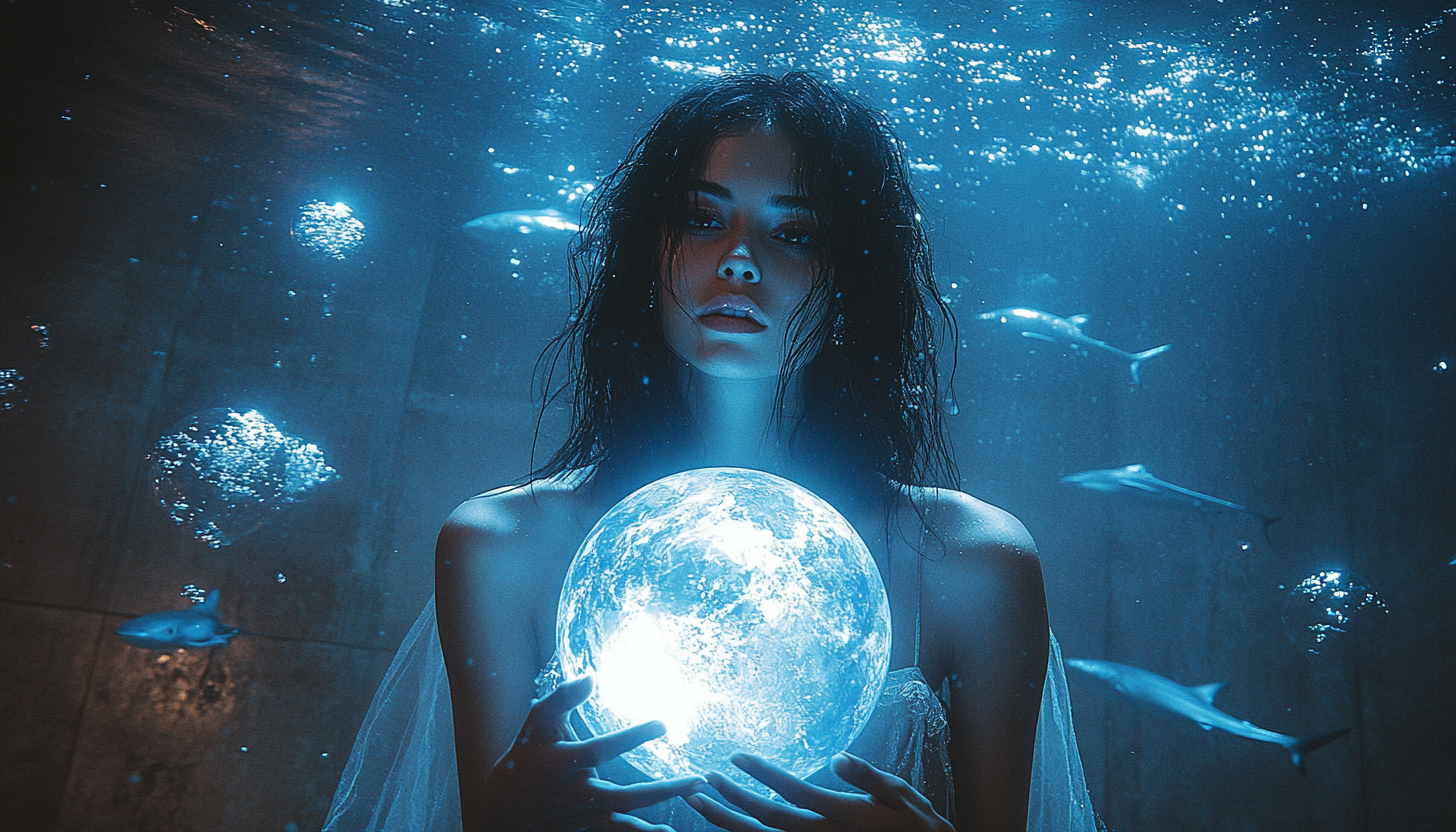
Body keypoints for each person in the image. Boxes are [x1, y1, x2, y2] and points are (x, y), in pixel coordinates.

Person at [324, 72, 1097, 832]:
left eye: (794, 232)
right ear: (644, 248)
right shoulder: (503, 546)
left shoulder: (970, 563)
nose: (737, 260)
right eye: (701, 219)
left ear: (852, 277)